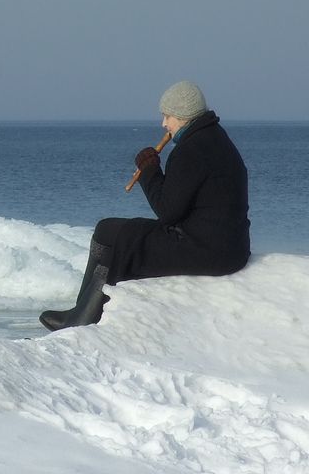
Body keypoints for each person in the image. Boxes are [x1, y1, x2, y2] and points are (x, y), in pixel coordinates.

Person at [40, 80, 250, 331]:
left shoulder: (191, 151)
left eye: (167, 116)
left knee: (114, 235)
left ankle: (83, 317)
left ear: (183, 116)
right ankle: (82, 310)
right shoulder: (216, 139)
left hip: (206, 250)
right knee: (112, 231)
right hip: (229, 247)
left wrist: (149, 170)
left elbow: (167, 211)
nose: (164, 124)